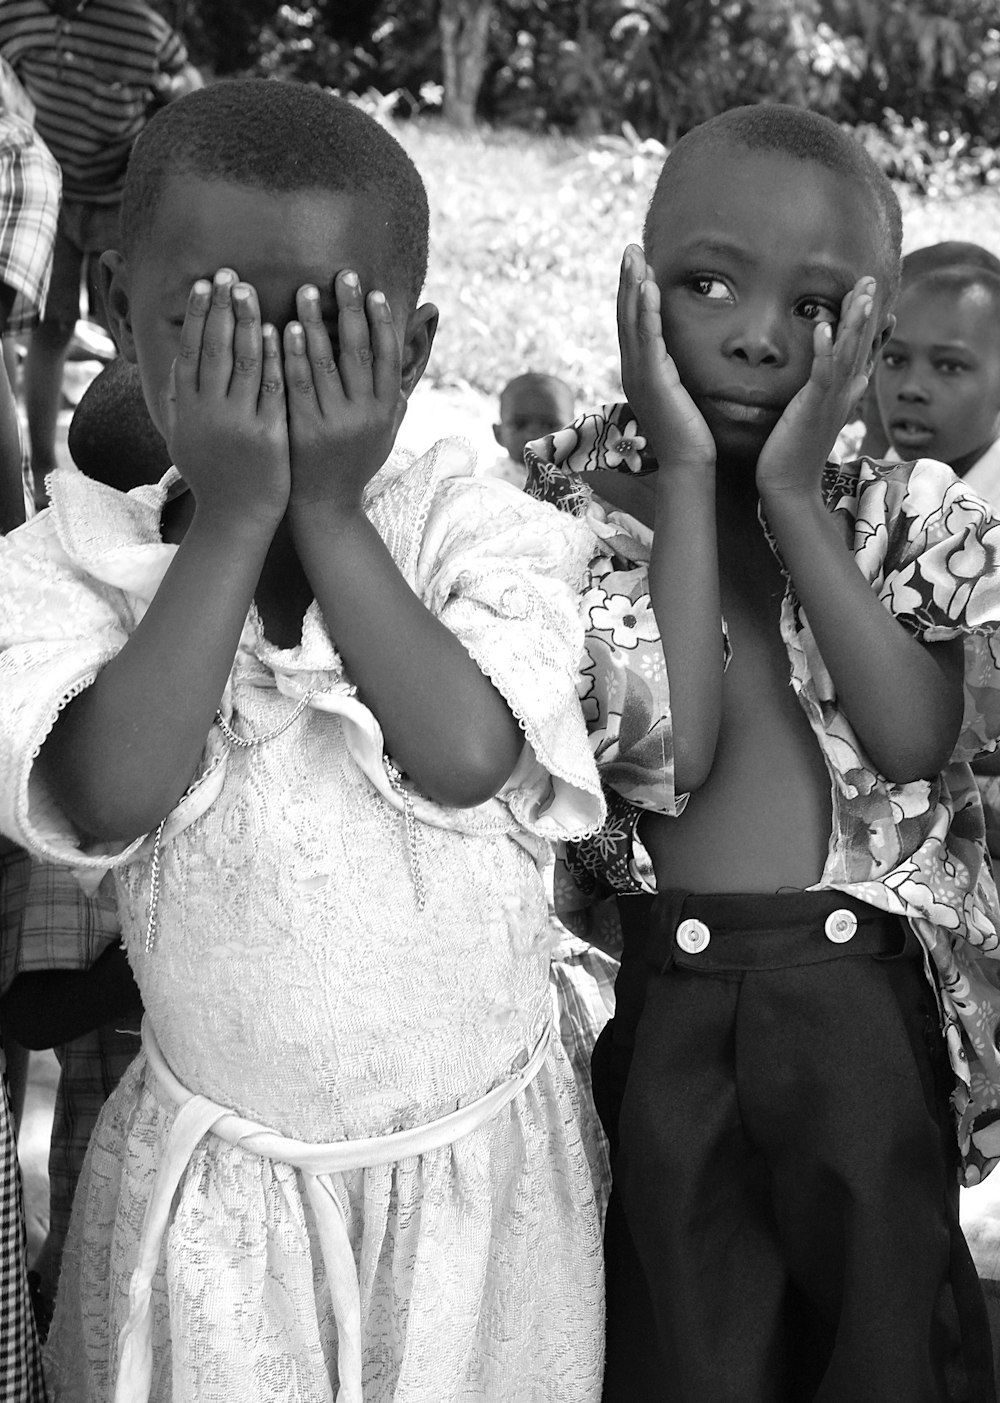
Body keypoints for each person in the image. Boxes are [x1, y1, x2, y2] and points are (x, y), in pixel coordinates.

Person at [0, 79, 607, 1402]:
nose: (268, 379)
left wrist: (325, 517)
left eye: (324, 334)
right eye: (213, 329)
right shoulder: (70, 567)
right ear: (113, 301)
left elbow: (466, 753)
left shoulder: (479, 529)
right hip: (225, 1226)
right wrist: (231, 523)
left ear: (414, 343)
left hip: (478, 1195)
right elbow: (104, 793)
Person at [525, 103, 1000, 1401]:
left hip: (861, 1010)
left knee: (888, 1343)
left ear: (871, 326)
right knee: (688, 1348)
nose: (754, 333)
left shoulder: (908, 506)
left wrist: (794, 500)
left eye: (817, 306)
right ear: (638, 281)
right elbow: (663, 753)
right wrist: (684, 475)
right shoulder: (565, 515)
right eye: (708, 282)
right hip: (662, 1007)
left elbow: (913, 736)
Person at [0, 0, 201, 502]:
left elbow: (186, 80)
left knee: (131, 331)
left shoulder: (139, 26)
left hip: (121, 198)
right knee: (53, 327)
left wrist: (171, 104)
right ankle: (44, 473)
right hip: (47, 196)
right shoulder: (15, 15)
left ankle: (144, 478)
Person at [489, 370, 573, 486]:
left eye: (549, 425)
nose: (533, 436)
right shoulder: (491, 486)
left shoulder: (585, 487)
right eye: (520, 424)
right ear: (499, 434)